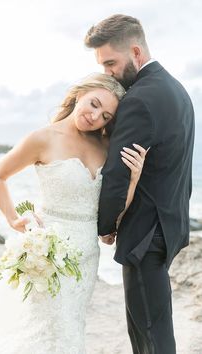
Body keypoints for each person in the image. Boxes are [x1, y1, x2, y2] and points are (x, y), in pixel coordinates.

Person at [0, 73, 147, 354]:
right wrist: (15, 220)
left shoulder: (105, 145)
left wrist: (134, 178)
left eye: (106, 116)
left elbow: (113, 212)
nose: (95, 116)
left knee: (69, 330)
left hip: (86, 257)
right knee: (40, 330)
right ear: (79, 95)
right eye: (94, 104)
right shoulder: (43, 138)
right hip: (49, 252)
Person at [85, 14, 195, 354]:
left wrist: (106, 225)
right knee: (151, 329)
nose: (107, 72)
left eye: (111, 63)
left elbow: (118, 172)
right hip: (168, 227)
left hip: (147, 235)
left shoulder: (139, 100)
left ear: (135, 52)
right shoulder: (176, 89)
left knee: (151, 336)